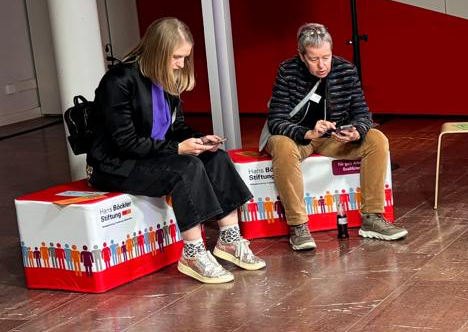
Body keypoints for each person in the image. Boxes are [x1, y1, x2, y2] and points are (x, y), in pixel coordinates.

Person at [88, 17, 264, 284]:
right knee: (187, 167)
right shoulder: (119, 80)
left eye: (185, 57)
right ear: (158, 52)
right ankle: (193, 252)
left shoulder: (166, 77)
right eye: (177, 57)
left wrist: (199, 139)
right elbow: (125, 142)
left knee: (215, 156)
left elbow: (175, 127)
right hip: (115, 165)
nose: (181, 64)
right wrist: (178, 148)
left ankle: (229, 238)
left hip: (154, 154)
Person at [263, 23, 407, 251]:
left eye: (326, 57)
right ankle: (299, 225)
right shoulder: (287, 70)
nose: (322, 65)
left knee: (377, 139)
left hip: (333, 137)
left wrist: (357, 130)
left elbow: (362, 112)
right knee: (280, 144)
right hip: (299, 137)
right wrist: (307, 132)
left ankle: (372, 217)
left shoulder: (346, 69)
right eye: (313, 59)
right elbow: (276, 119)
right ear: (301, 56)